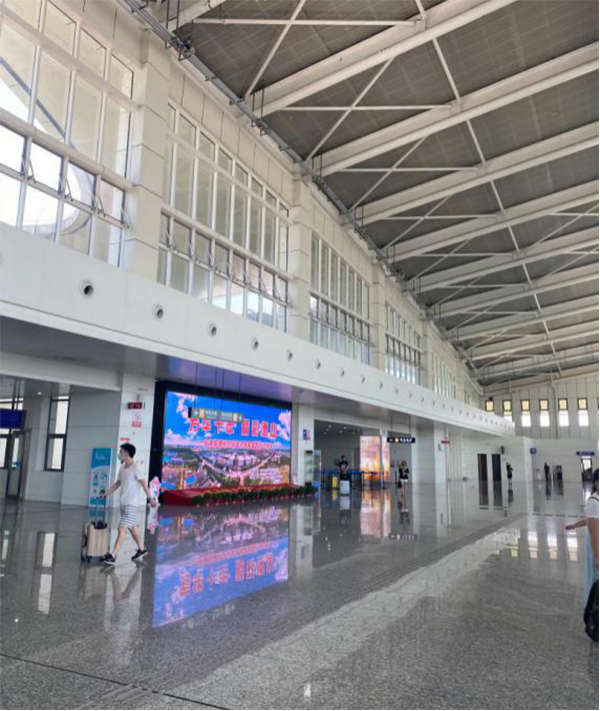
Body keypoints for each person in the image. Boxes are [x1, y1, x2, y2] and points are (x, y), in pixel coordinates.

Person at [101, 443, 157, 565]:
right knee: (132, 528)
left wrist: (150, 498)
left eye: (121, 452)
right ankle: (142, 549)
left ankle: (113, 555)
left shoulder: (136, 468)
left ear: (126, 453)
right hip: (124, 503)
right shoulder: (122, 468)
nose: (119, 454)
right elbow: (118, 483)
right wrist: (106, 493)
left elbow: (144, 484)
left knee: (121, 528)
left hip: (131, 504)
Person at [565, 469, 599, 588]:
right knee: (596, 581)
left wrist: (575, 525)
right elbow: (594, 532)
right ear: (596, 482)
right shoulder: (593, 502)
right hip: (596, 545)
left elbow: (591, 520)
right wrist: (597, 557)